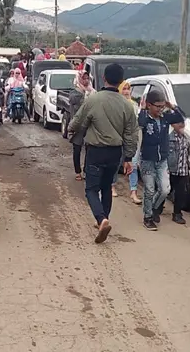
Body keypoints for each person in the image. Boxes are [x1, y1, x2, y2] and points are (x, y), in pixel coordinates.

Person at [68, 64, 138, 244]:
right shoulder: (127, 105)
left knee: (91, 188)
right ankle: (104, 218)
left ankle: (101, 219)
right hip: (115, 153)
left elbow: (77, 121)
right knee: (106, 187)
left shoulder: (94, 99)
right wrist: (128, 158)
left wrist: (71, 131)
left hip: (96, 151)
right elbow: (131, 134)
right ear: (121, 82)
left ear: (104, 78)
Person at [137, 89, 185, 231]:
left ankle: (153, 208)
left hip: (162, 160)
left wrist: (172, 107)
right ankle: (148, 217)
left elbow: (181, 118)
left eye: (162, 106)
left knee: (165, 189)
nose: (160, 109)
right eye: (157, 106)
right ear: (149, 105)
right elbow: (138, 124)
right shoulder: (144, 117)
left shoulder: (165, 117)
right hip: (147, 160)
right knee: (150, 189)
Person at [114, 81, 141, 203]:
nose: (126, 91)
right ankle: (112, 186)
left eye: (128, 89)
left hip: (131, 140)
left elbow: (137, 122)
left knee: (133, 165)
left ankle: (133, 191)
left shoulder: (134, 105)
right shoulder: (116, 104)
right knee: (115, 164)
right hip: (118, 139)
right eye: (123, 89)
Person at [69, 71, 95, 181]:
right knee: (77, 148)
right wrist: (84, 96)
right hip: (78, 125)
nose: (86, 80)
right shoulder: (75, 92)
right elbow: (76, 107)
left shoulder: (93, 92)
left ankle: (86, 170)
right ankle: (78, 171)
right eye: (83, 78)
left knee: (90, 149)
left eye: (87, 78)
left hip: (89, 125)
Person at [167, 120, 190, 224]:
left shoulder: (186, 138)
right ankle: (156, 209)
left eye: (183, 123)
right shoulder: (169, 139)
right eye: (178, 123)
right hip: (171, 170)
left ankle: (177, 213)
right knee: (166, 191)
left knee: (180, 194)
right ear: (173, 125)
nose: (181, 125)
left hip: (183, 171)